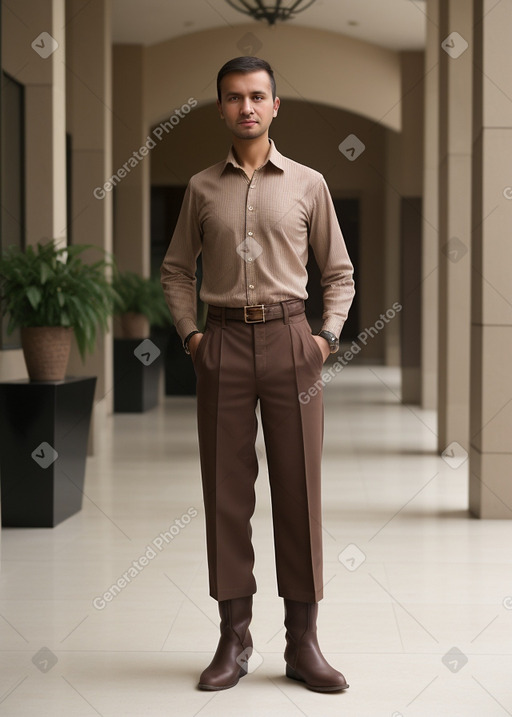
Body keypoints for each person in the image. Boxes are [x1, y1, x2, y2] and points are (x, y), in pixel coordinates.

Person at [161, 56, 355, 693]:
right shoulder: (200, 188)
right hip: (220, 344)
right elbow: (173, 271)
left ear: (276, 107)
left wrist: (325, 337)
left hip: (291, 339)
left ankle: (303, 643)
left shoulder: (309, 184)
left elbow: (339, 272)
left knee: (299, 492)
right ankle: (234, 638)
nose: (247, 107)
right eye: (234, 97)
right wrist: (192, 336)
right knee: (226, 494)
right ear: (220, 107)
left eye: (257, 97)